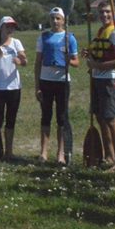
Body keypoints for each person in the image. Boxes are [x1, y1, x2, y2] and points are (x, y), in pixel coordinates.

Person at [82, 0, 115, 171]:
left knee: (111, 118)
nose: (105, 15)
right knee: (101, 117)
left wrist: (97, 66)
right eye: (102, 12)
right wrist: (90, 54)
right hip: (97, 78)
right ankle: (109, 155)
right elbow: (101, 53)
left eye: (108, 12)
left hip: (110, 79)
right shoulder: (102, 31)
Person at [33, 8, 79, 163]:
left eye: (58, 18)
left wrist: (68, 61)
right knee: (45, 116)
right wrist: (37, 85)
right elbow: (38, 62)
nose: (55, 21)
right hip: (46, 81)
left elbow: (76, 62)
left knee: (61, 118)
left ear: (63, 20)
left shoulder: (69, 38)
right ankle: (43, 152)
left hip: (62, 82)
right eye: (52, 18)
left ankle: (61, 153)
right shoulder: (43, 37)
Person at [0, 16, 27, 160]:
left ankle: (9, 151)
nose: (10, 29)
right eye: (7, 26)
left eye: (12, 27)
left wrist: (20, 61)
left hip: (14, 87)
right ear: (1, 28)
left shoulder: (16, 43)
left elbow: (24, 60)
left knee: (11, 120)